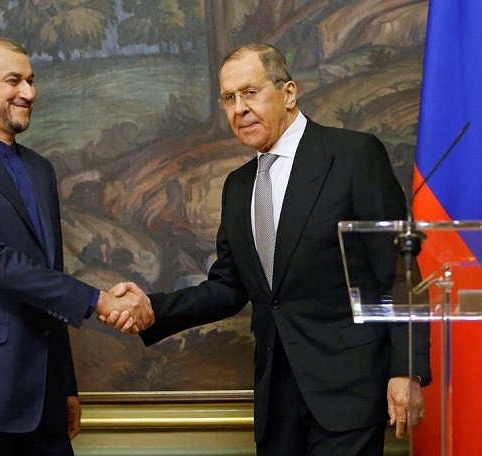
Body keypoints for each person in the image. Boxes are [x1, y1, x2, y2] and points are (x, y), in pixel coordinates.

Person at [107, 43, 431, 455]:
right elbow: (227, 287)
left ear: (289, 93)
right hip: (276, 400)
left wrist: (407, 371)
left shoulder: (353, 156)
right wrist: (152, 309)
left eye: (250, 92)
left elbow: (399, 274)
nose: (238, 108)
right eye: (228, 98)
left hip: (348, 393)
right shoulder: (239, 186)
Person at [0, 37, 152, 456]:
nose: (29, 92)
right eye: (14, 81)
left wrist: (65, 384)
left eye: (31, 80)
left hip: (44, 401)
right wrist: (99, 300)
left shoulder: (40, 169)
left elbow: (49, 278)